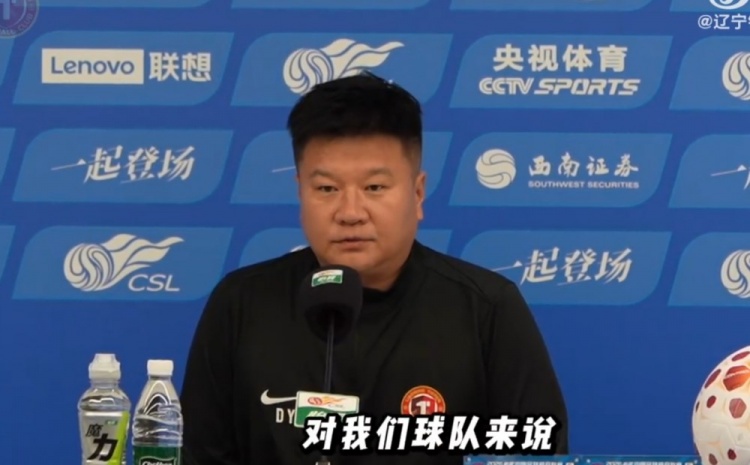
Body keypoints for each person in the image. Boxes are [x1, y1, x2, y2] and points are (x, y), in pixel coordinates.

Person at [180, 71, 568, 465]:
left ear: (417, 193)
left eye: (375, 188)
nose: (350, 213)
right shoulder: (242, 304)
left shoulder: (486, 309)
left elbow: (538, 453)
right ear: (300, 191)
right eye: (327, 189)